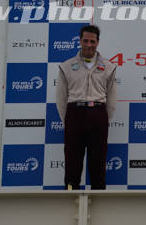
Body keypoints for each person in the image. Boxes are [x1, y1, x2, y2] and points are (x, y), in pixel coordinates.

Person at [56, 25, 116, 190]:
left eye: (92, 41)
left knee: (98, 163)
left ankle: (99, 200)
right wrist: (68, 120)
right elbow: (61, 98)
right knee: (72, 163)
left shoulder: (109, 67)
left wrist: (103, 119)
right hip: (75, 114)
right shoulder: (66, 66)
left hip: (98, 114)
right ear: (80, 41)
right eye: (85, 41)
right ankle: (70, 197)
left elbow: (111, 99)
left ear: (98, 42)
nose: (89, 45)